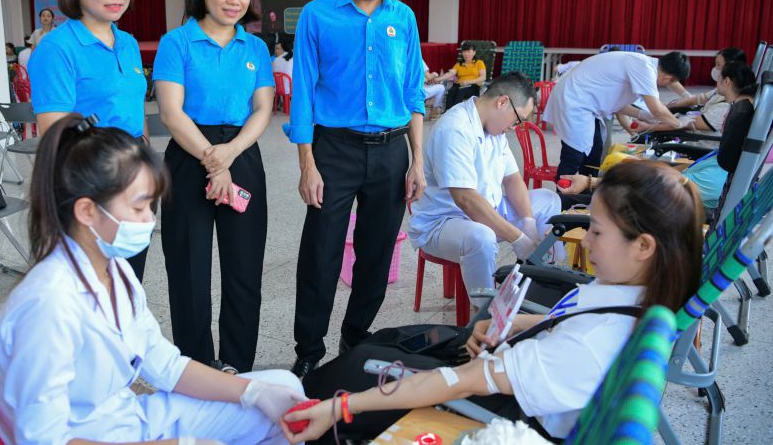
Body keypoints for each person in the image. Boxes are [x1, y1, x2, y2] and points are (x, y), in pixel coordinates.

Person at [284, 159, 703, 443]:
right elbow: (570, 317)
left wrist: (341, 408)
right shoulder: (632, 295)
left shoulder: (584, 347)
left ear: (643, 245)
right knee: (393, 340)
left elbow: (459, 383)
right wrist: (514, 324)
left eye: (597, 231)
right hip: (513, 376)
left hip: (496, 409)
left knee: (362, 367)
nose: (586, 239)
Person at [0, 115, 304, 444]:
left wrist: (252, 392)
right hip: (96, 436)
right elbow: (42, 439)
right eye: (139, 208)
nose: (150, 219)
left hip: (128, 419)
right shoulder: (49, 303)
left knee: (285, 391)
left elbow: (164, 364)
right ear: (87, 212)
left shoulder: (114, 270)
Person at [288, 0, 426, 379]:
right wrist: (307, 164)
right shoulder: (318, 15)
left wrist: (418, 162)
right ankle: (308, 348)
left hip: (391, 152)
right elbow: (303, 95)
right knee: (321, 252)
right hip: (335, 151)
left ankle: (356, 334)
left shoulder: (403, 18)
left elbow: (412, 95)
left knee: (377, 252)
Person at [154, 0, 274, 375]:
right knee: (189, 270)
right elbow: (171, 112)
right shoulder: (177, 42)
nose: (234, 0)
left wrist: (229, 155)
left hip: (240, 152)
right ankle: (197, 366)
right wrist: (212, 159)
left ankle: (238, 366)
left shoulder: (255, 47)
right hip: (189, 157)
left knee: (244, 268)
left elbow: (263, 109)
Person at [28, 0, 150, 282]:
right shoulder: (57, 49)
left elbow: (133, 107)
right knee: (91, 290)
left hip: (131, 180)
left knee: (126, 285)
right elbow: (56, 133)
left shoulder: (126, 43)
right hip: (89, 185)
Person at [408, 72, 564, 305]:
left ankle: (544, 279)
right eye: (517, 120)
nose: (514, 127)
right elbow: (466, 200)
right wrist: (519, 238)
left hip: (487, 208)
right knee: (481, 236)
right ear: (502, 102)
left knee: (548, 200)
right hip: (444, 223)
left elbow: (512, 179)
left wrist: (529, 222)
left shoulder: (494, 129)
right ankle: (488, 312)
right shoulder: (455, 128)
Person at [560, 62, 758, 210]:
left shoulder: (716, 177)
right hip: (655, 197)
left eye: (729, 116)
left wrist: (591, 183)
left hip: (647, 212)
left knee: (581, 200)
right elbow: (678, 175)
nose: (723, 118)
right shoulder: (722, 160)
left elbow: (654, 188)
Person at [542, 50, 690, 178]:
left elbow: (616, 104)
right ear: (668, 79)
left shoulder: (644, 65)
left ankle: (584, 193)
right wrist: (679, 124)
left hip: (584, 102)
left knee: (595, 152)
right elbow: (657, 109)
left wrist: (643, 115)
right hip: (575, 100)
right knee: (574, 155)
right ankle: (562, 200)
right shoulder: (645, 68)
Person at [630, 47, 746, 136]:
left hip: (697, 142)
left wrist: (649, 126)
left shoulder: (724, 107)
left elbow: (688, 124)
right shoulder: (723, 93)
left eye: (718, 65)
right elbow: (696, 99)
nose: (715, 69)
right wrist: (668, 107)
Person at [438, 41, 487, 110]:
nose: (466, 54)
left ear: (474, 52)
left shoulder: (479, 63)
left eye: (469, 52)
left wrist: (468, 82)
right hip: (459, 85)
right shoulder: (459, 64)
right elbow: (450, 74)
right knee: (452, 91)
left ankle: (456, 112)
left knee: (460, 91)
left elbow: (483, 77)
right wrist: (438, 79)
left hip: (473, 86)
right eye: (464, 52)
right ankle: (447, 112)